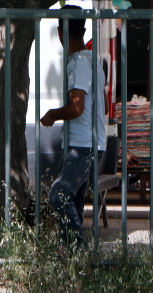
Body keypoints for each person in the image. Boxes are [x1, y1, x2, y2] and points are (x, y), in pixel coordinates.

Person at [41, 14, 107, 248]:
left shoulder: (78, 62)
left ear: (61, 32)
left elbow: (77, 107)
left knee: (58, 194)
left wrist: (52, 114)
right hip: (90, 143)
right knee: (74, 206)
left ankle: (80, 251)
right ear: (84, 28)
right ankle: (73, 266)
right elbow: (105, 105)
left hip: (83, 145)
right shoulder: (93, 61)